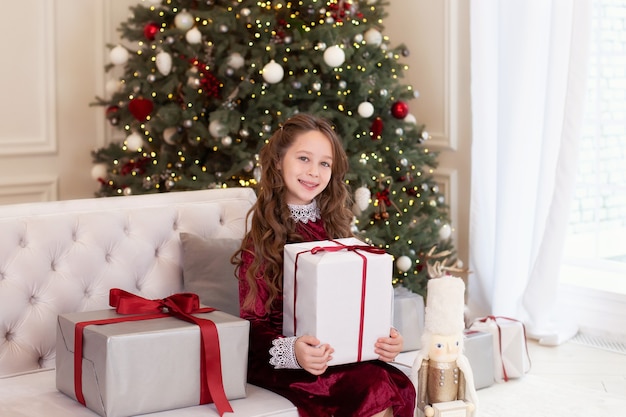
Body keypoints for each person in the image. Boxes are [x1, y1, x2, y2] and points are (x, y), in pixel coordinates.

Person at [232, 113, 416, 417]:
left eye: (324, 163)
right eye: (304, 158)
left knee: (396, 381)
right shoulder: (262, 239)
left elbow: (354, 305)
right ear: (278, 161)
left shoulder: (337, 227)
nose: (313, 172)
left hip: (337, 353)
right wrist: (294, 351)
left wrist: (384, 336)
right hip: (288, 362)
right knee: (372, 388)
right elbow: (252, 328)